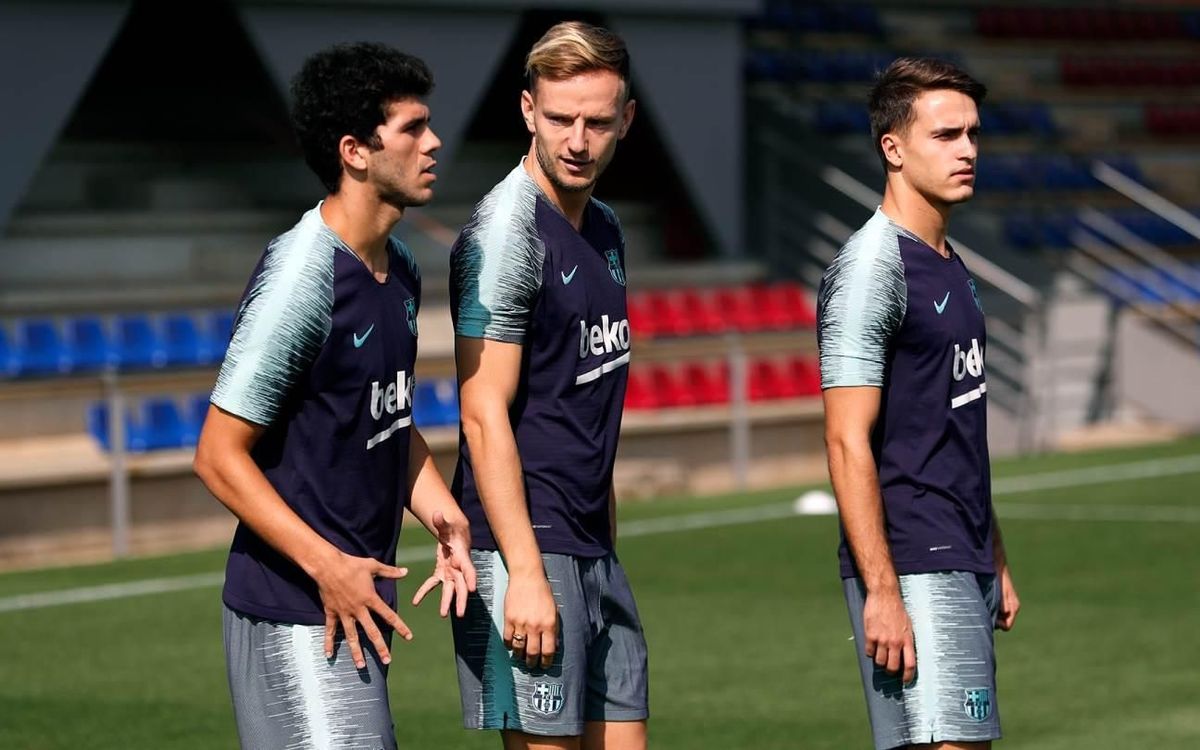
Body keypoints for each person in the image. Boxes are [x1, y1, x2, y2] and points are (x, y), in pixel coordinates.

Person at [193, 42, 476, 749]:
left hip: (351, 608)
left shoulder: (402, 269)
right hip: (293, 609)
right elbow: (218, 455)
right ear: (355, 151)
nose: (433, 142)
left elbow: (387, 418)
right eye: (412, 128)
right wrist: (328, 567)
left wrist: (443, 514)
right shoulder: (301, 277)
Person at [447, 21, 648, 750]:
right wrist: (525, 573)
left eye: (597, 121)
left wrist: (604, 544)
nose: (578, 140)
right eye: (560, 118)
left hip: (593, 547)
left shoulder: (604, 228)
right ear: (528, 110)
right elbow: (480, 414)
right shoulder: (505, 233)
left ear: (625, 119)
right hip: (523, 553)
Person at [817, 57, 1021, 750]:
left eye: (972, 133)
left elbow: (953, 419)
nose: (967, 150)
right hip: (914, 559)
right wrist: (881, 590)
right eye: (945, 135)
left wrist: (991, 551)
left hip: (960, 552)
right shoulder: (872, 270)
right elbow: (846, 441)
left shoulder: (950, 262)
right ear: (893, 148)